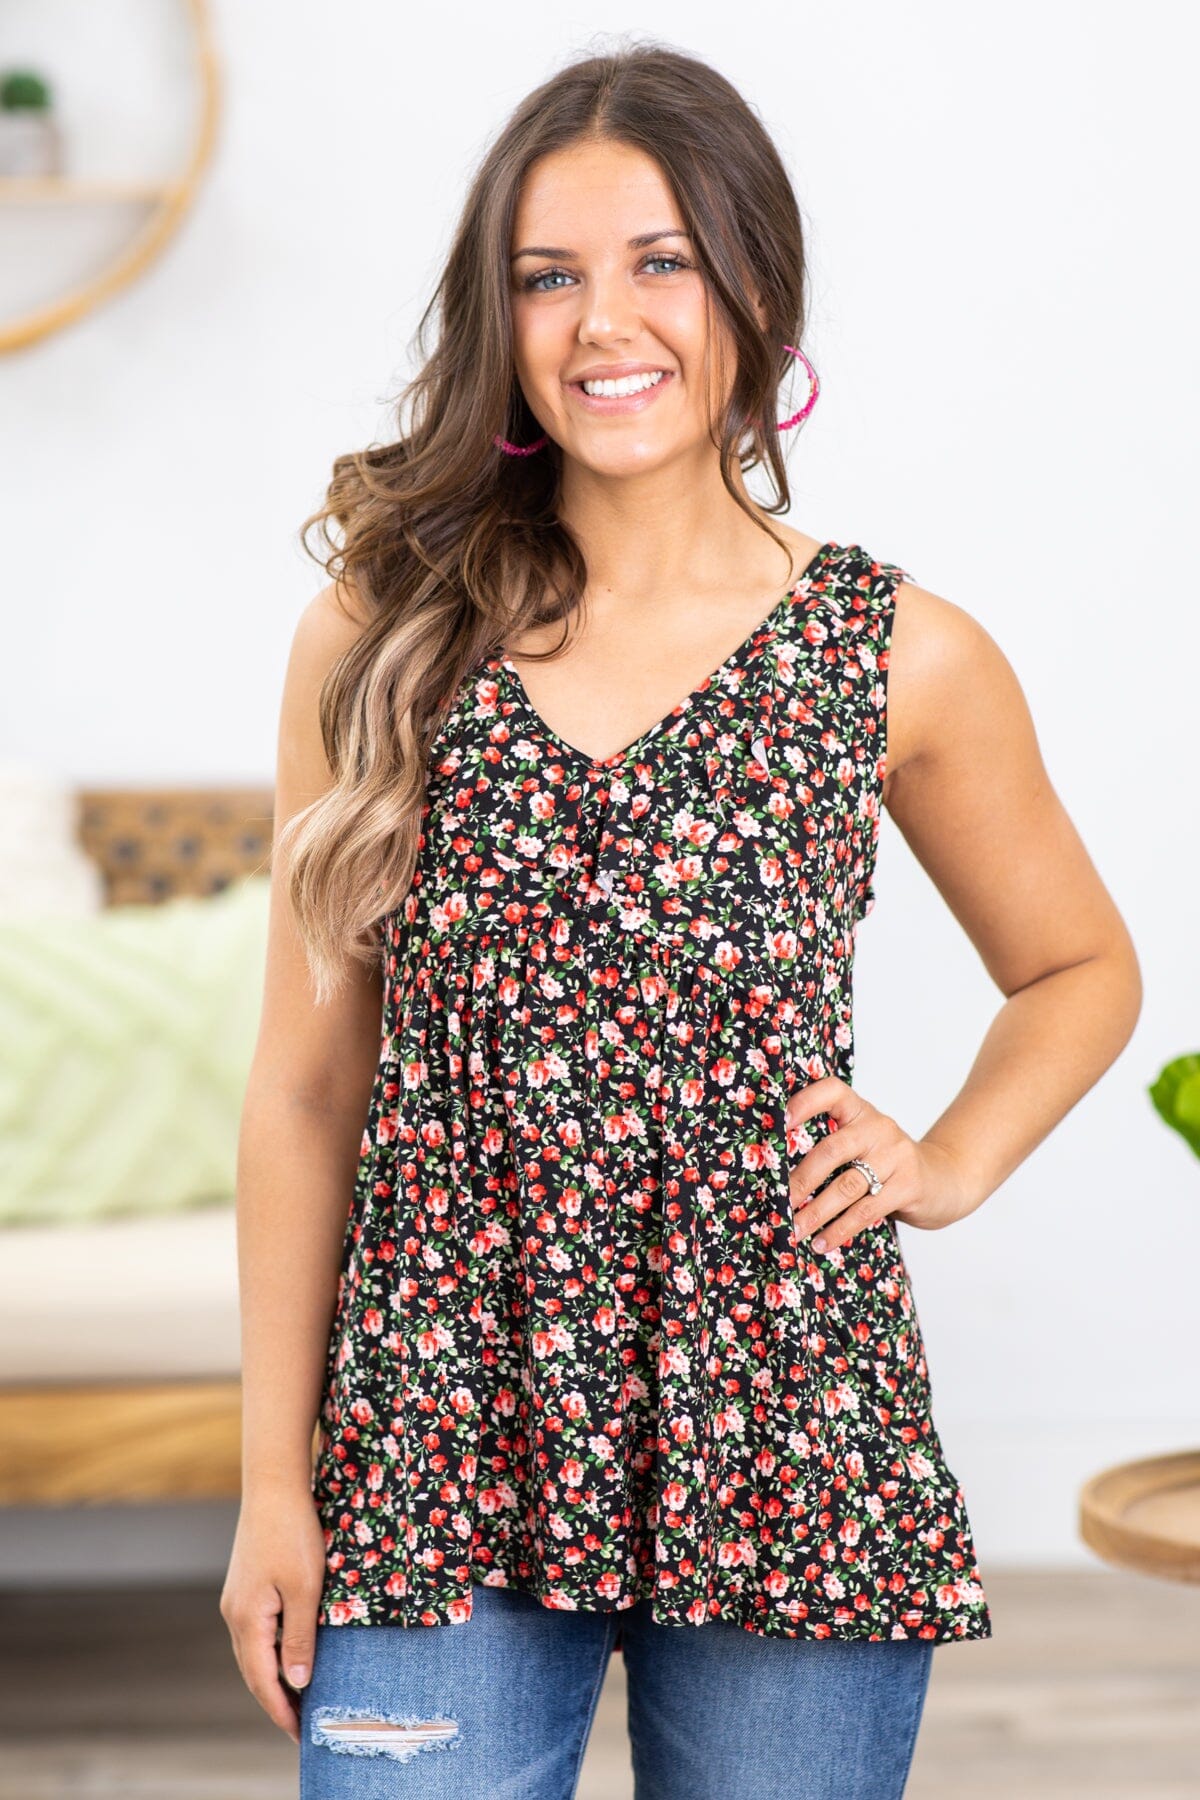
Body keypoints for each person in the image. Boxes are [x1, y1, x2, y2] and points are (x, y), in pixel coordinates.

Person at [219, 41, 1142, 1800]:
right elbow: (305, 1087)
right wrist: (276, 1486)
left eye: (662, 262)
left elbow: (1081, 967)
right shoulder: (381, 632)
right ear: (500, 319)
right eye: (545, 276)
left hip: (786, 1414)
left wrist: (949, 1159)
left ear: (755, 289)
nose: (601, 323)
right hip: (437, 1423)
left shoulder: (897, 652)